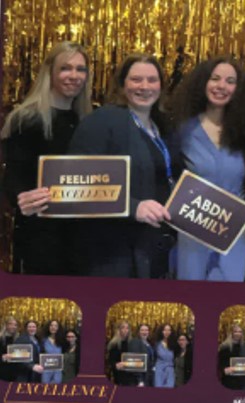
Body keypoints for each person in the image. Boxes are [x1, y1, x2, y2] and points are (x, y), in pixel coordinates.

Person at [69, 53, 177, 278]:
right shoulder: (102, 121)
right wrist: (132, 207)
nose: (145, 86)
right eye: (136, 79)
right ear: (122, 84)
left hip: (153, 248)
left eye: (152, 80)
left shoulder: (161, 126)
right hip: (112, 253)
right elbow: (76, 184)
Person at [1, 41, 92, 275]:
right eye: (65, 68)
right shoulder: (26, 119)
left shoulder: (88, 120)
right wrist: (22, 199)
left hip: (80, 237)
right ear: (49, 71)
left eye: (80, 69)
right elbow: (13, 177)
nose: (74, 75)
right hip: (40, 236)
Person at [172, 56, 245, 281]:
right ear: (203, 83)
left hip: (234, 234)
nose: (222, 86)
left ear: (238, 89)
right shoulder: (182, 130)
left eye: (230, 81)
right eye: (215, 78)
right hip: (192, 232)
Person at [107, 321, 135, 386]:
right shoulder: (114, 344)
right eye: (123, 328)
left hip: (130, 374)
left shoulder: (132, 342)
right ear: (119, 330)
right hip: (119, 374)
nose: (125, 330)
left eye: (127, 328)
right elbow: (111, 361)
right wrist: (116, 365)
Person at [218, 324, 244, 389]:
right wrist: (224, 370)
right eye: (235, 331)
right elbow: (220, 362)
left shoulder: (244, 346)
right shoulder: (225, 346)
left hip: (241, 378)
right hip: (229, 378)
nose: (238, 333)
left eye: (240, 332)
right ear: (231, 333)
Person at [154, 324, 176, 388]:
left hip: (170, 370)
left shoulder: (174, 344)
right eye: (165, 330)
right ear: (161, 331)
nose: (167, 332)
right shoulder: (157, 344)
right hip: (159, 370)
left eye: (169, 330)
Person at [0, 316, 19, 381]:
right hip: (2, 372)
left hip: (15, 372)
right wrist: (3, 357)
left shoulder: (18, 338)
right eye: (11, 324)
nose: (13, 327)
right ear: (6, 325)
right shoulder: (1, 338)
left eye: (15, 325)